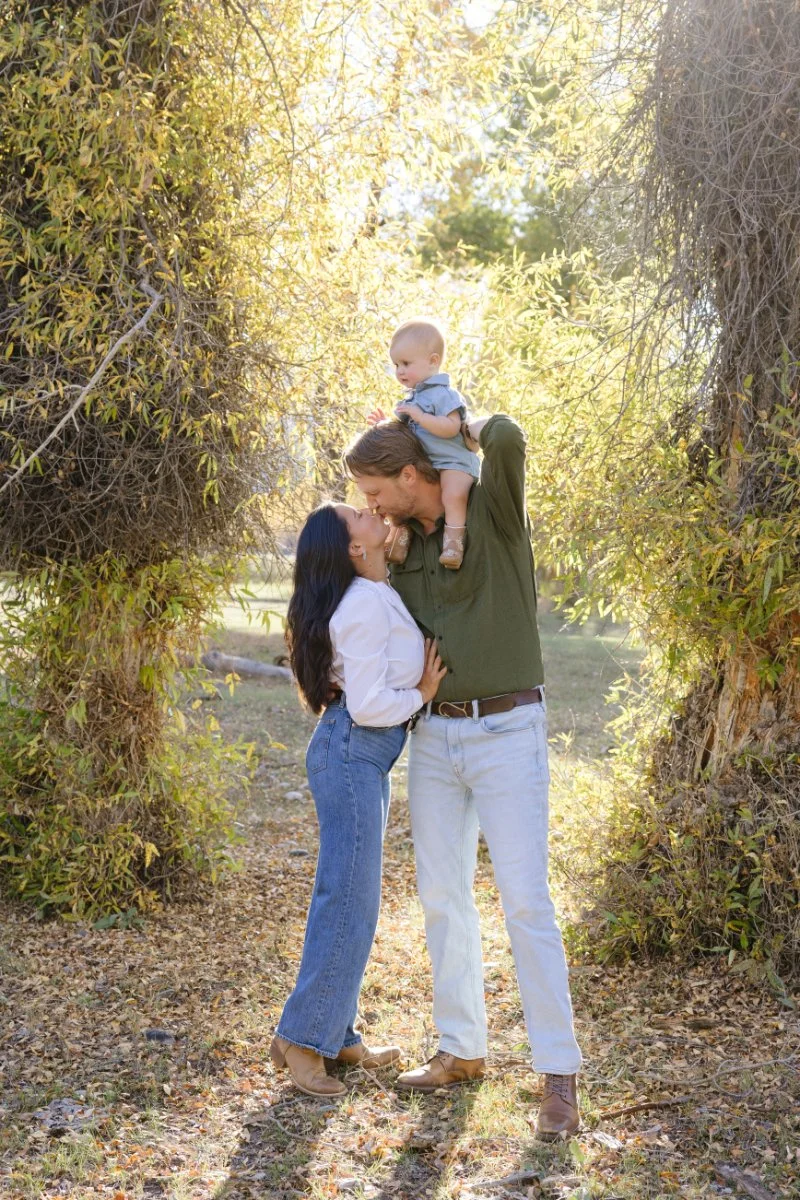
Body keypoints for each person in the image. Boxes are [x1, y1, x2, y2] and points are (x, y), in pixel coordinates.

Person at [344, 415, 583, 1139]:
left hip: (509, 730)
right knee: (443, 897)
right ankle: (461, 1049)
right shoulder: (405, 550)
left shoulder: (489, 509)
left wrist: (444, 423)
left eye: (376, 489)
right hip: (436, 734)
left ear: (412, 475)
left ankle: (559, 1075)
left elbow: (509, 437)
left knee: (525, 902)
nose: (372, 502)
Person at [270, 502, 446, 1098]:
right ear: (353, 547)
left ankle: (334, 1030)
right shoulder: (366, 603)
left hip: (358, 756)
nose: (372, 511)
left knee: (354, 898)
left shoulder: (374, 592)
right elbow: (371, 703)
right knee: (347, 899)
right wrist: (422, 692)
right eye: (359, 514)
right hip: (353, 751)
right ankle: (300, 1041)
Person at [385, 319, 479, 570]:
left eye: (406, 363)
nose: (400, 371)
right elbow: (402, 433)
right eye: (396, 365)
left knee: (453, 494)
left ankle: (453, 543)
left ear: (433, 361)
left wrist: (420, 416)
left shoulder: (445, 395)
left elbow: (450, 428)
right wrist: (382, 424)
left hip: (453, 461)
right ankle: (400, 535)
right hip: (425, 464)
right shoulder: (411, 398)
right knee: (402, 493)